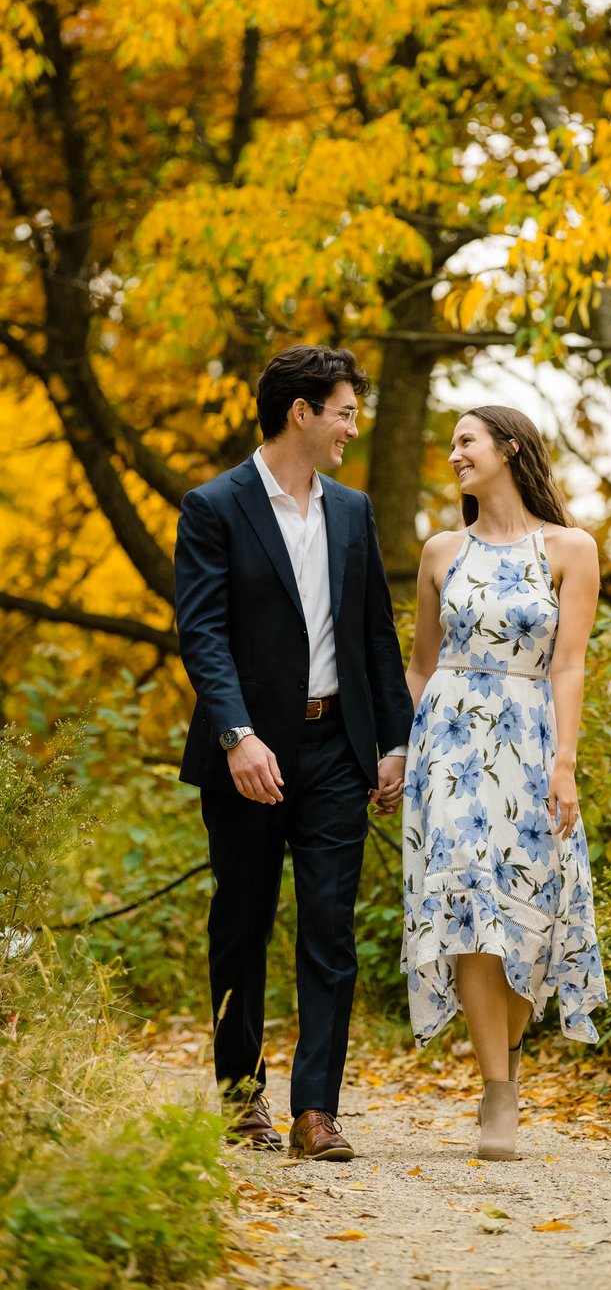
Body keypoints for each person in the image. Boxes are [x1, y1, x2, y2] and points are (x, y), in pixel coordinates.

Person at [174, 345, 412, 1161]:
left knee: (329, 930)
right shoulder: (214, 506)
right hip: (248, 753)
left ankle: (317, 1111)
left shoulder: (353, 510)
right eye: (344, 410)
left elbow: (375, 633)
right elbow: (201, 634)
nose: (353, 425)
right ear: (300, 413)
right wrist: (236, 734)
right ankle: (241, 1098)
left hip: (337, 750)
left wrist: (395, 741)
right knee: (241, 924)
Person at [400, 405, 607, 1160]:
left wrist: (565, 764)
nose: (454, 453)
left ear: (509, 449)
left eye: (466, 440)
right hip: (448, 748)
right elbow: (420, 666)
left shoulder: (571, 547)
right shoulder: (440, 551)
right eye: (452, 442)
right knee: (469, 914)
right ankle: (497, 1090)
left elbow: (570, 663)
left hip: (529, 740)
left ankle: (509, 1057)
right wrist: (400, 753)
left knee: (526, 912)